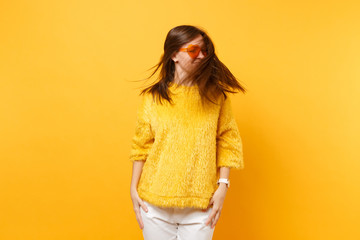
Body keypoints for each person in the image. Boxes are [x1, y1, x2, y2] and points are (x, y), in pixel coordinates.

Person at [129, 25, 246, 240]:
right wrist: (133, 189)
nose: (201, 56)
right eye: (193, 50)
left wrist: (223, 187)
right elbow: (141, 145)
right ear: (174, 54)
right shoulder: (153, 98)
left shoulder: (216, 97)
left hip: (200, 205)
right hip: (153, 204)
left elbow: (228, 140)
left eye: (204, 51)